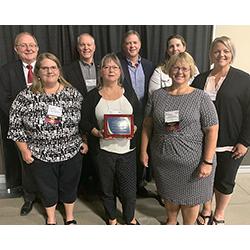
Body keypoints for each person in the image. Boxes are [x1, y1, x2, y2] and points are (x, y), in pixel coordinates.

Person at [7, 52, 88, 225]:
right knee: (47, 188)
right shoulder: (25, 97)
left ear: (59, 70)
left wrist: (84, 141)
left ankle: (69, 217)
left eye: (53, 67)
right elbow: (15, 125)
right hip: (40, 153)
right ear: (37, 72)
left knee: (69, 185)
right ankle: (51, 219)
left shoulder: (73, 94)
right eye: (44, 68)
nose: (49, 71)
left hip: (71, 151)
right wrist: (23, 150)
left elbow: (85, 121)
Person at [140, 52, 219, 225]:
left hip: (193, 164)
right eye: (176, 67)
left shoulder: (201, 97)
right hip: (164, 161)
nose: (180, 72)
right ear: (169, 70)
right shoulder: (158, 96)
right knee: (168, 195)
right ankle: (171, 221)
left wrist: (207, 162)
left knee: (190, 200)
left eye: (184, 68)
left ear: (191, 71)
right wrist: (143, 151)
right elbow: (147, 125)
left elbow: (212, 130)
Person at [192, 36, 250, 225]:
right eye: (217, 51)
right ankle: (206, 210)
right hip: (202, 141)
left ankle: (219, 214)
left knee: (225, 180)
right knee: (205, 179)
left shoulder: (244, 80)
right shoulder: (200, 79)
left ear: (232, 54)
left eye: (225, 51)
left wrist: (245, 141)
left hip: (231, 143)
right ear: (211, 54)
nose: (221, 55)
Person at [81, 53, 140, 225]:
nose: (111, 70)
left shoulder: (128, 92)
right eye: (106, 67)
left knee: (128, 191)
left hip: (127, 150)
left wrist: (134, 127)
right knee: (106, 189)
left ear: (120, 71)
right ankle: (112, 218)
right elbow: (84, 121)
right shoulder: (92, 96)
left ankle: (130, 218)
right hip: (103, 151)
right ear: (101, 72)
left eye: (114, 67)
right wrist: (96, 132)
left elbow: (139, 115)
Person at [0, 32, 39, 215]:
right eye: (23, 45)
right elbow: (4, 100)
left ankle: (51, 196)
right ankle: (29, 197)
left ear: (37, 48)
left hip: (47, 126)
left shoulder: (49, 66)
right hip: (21, 128)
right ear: (16, 49)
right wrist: (24, 120)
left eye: (32, 45)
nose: (29, 49)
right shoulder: (6, 71)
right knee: (27, 162)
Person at [118, 30, 155, 198]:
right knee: (124, 151)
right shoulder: (117, 63)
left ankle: (138, 184)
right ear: (123, 45)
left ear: (140, 45)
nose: (131, 46)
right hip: (123, 114)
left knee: (142, 149)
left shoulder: (149, 65)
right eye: (128, 43)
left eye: (134, 43)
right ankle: (122, 186)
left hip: (145, 115)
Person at [63, 33, 99, 195]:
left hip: (100, 117)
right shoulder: (67, 70)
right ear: (78, 48)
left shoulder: (103, 67)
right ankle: (81, 189)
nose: (86, 48)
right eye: (82, 45)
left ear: (94, 47)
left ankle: (97, 188)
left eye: (89, 45)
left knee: (98, 155)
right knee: (81, 155)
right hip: (77, 119)